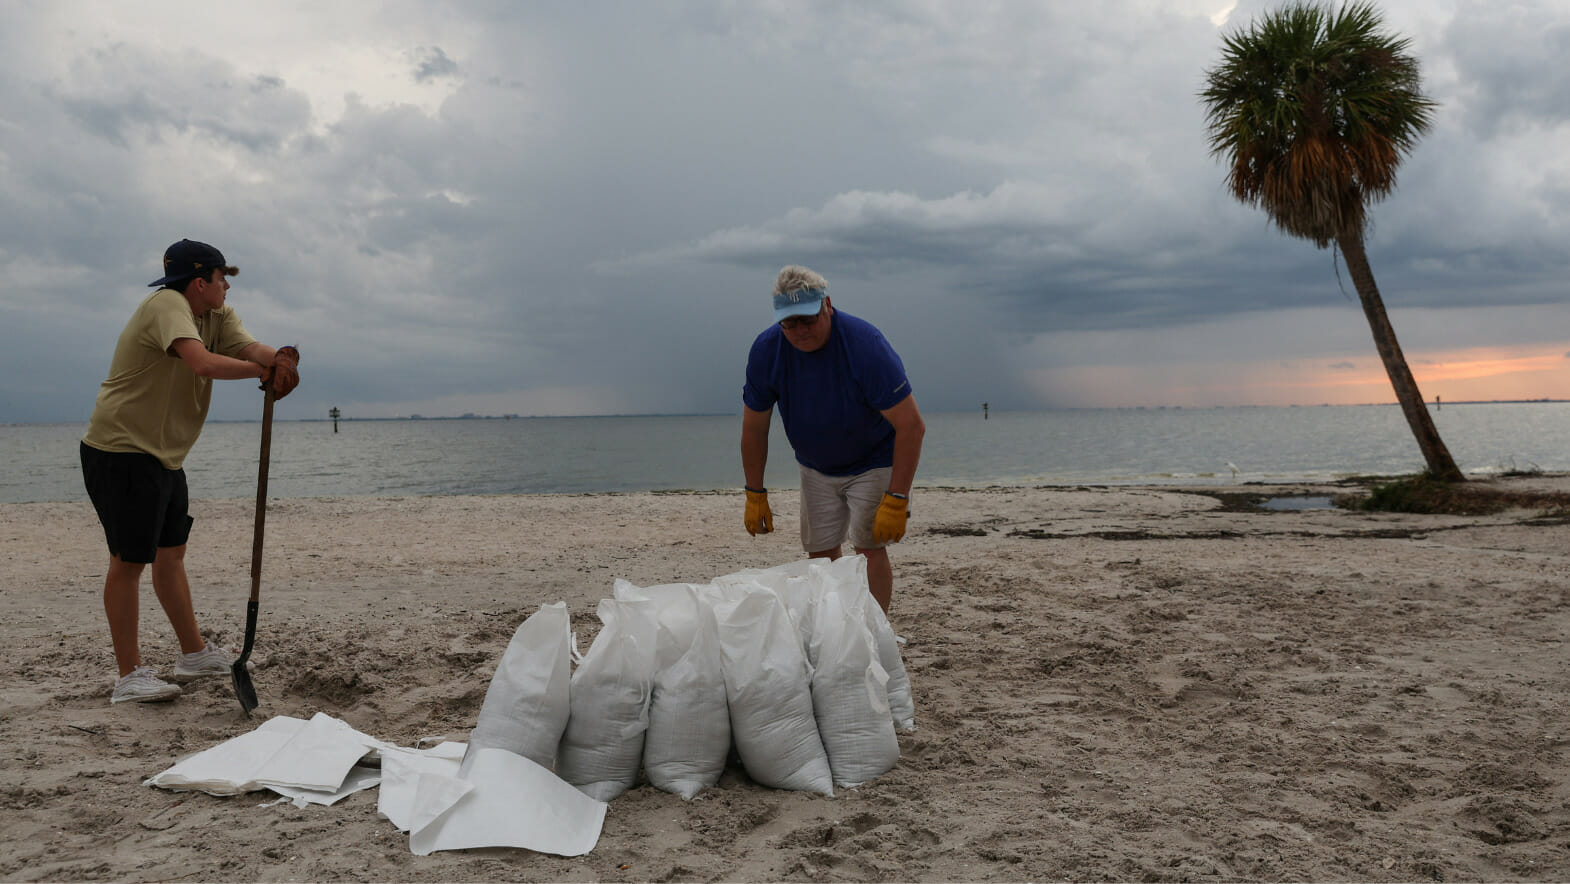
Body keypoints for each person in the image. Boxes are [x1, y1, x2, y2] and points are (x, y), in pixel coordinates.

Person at [81, 239, 300, 704]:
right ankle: (128, 676)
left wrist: (281, 358)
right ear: (200, 282)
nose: (227, 288)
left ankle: (193, 654)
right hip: (121, 448)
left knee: (170, 555)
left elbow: (248, 347)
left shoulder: (215, 316)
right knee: (129, 561)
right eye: (223, 279)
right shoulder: (167, 305)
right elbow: (201, 363)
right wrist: (259, 373)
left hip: (164, 453)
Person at [740, 265, 925, 613]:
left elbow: (912, 426)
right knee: (820, 554)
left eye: (807, 320)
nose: (799, 331)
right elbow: (754, 427)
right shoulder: (767, 350)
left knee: (869, 548)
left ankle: (872, 633)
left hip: (874, 459)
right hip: (814, 466)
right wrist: (754, 493)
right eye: (789, 323)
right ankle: (833, 628)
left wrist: (897, 497)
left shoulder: (865, 345)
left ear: (827, 305)